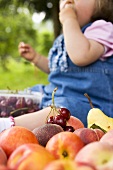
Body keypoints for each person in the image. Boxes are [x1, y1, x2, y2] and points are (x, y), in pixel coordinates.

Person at [1, 0, 113, 132]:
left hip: (86, 104)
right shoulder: (67, 34)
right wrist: (37, 58)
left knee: (62, 111)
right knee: (20, 98)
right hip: (52, 94)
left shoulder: (103, 28)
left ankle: (7, 126)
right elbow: (58, 68)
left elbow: (80, 56)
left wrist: (69, 19)